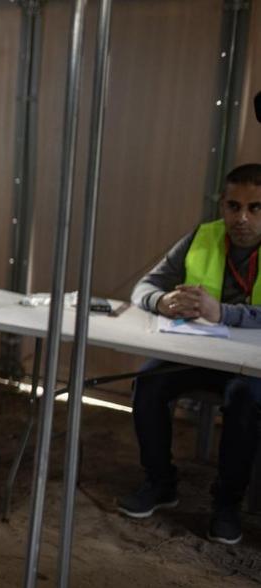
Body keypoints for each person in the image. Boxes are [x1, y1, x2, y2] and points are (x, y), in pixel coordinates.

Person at [119, 163, 261, 545]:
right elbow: (144, 286)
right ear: (222, 205)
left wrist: (225, 313)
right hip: (197, 353)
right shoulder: (204, 235)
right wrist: (161, 300)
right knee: (148, 382)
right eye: (233, 206)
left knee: (246, 399)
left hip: (250, 368)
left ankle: (227, 502)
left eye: (255, 208)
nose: (242, 218)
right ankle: (160, 482)